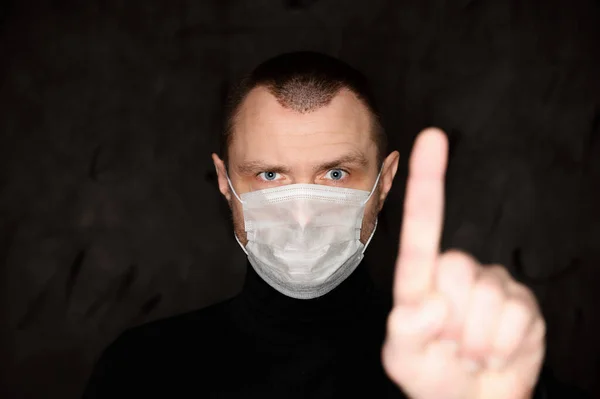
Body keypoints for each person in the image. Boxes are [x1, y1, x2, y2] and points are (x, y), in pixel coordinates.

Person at [82, 51, 588, 399]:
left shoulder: (459, 364)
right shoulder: (141, 371)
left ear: (385, 180)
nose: (302, 214)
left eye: (336, 173)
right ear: (224, 179)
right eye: (270, 175)